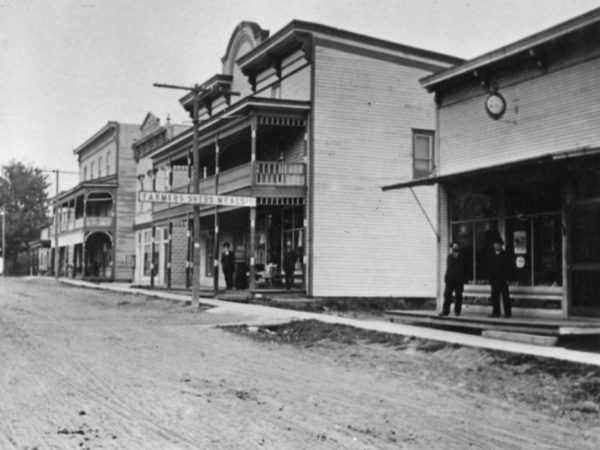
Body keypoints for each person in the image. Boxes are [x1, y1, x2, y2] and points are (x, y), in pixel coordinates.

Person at [440, 241, 468, 317]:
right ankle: (445, 311)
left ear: (459, 247)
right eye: (453, 246)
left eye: (456, 246)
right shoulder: (449, 256)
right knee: (447, 295)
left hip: (459, 280)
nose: (454, 248)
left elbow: (465, 269)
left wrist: (464, 278)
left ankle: (457, 311)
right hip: (450, 279)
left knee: (458, 296)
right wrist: (446, 277)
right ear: (451, 248)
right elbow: (448, 268)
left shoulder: (463, 257)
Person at [488, 237, 513, 318]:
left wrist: (508, 279)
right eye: (495, 244)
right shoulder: (492, 255)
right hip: (494, 279)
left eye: (498, 244)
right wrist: (490, 278)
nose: (496, 246)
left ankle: (507, 313)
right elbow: (490, 267)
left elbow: (509, 268)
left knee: (505, 296)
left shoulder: (505, 255)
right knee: (495, 296)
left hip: (503, 279)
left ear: (501, 245)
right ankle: (496, 312)